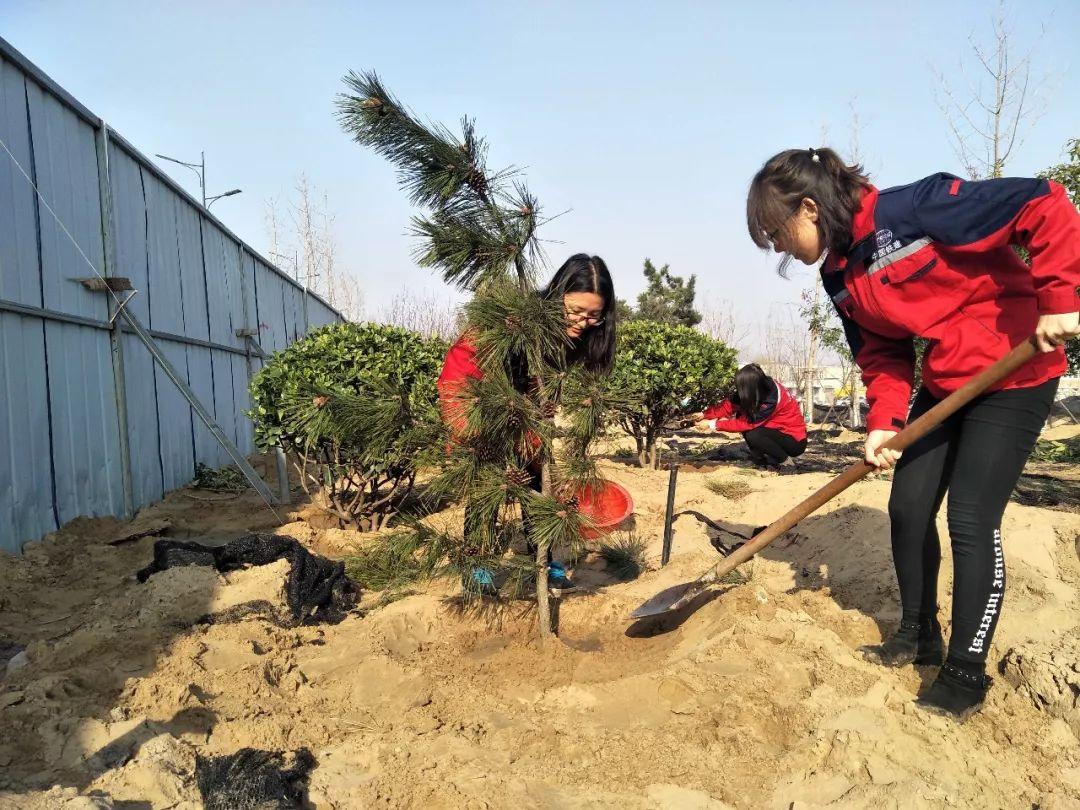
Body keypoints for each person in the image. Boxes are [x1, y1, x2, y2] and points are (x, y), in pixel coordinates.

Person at [745, 146, 1080, 720]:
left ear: (807, 208)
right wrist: (882, 422)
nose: (777, 248)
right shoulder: (838, 272)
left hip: (1015, 372)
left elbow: (1043, 203)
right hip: (947, 383)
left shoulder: (918, 210)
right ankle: (918, 635)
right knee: (908, 505)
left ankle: (965, 673)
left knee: (971, 517)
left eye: (775, 234)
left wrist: (1057, 297)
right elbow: (881, 352)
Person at [437, 254, 617, 597]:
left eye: (593, 316)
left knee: (537, 482)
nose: (582, 322)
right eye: (576, 311)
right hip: (476, 397)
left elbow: (539, 394)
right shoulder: (517, 322)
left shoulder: (573, 340)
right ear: (556, 296)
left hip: (524, 408)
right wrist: (468, 419)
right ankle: (479, 570)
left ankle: (544, 561)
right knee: (489, 487)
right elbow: (463, 366)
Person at [692, 363, 807, 470]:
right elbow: (729, 405)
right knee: (744, 419)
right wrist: (703, 414)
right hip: (775, 432)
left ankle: (785, 462)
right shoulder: (756, 388)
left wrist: (712, 424)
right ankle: (760, 458)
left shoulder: (771, 400)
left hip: (794, 441)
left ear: (751, 387)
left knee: (753, 433)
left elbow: (745, 424)